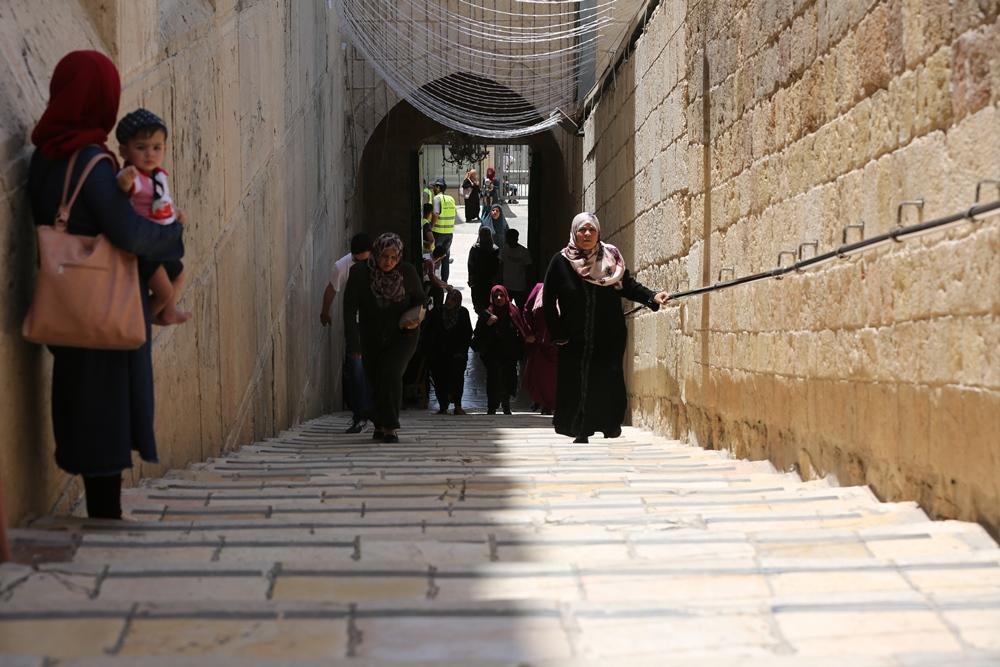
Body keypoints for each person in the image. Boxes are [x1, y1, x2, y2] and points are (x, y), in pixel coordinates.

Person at [26, 51, 185, 519]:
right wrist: (174, 233)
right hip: (101, 302)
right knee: (105, 406)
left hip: (66, 296)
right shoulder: (93, 162)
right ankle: (105, 514)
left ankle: (100, 505)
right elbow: (129, 232)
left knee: (80, 399)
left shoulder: (45, 156)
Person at [543, 212, 669, 443]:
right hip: (574, 337)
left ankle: (608, 424)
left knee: (606, 379)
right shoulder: (560, 262)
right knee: (577, 380)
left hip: (608, 334)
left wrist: (651, 296)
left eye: (591, 229)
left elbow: (627, 286)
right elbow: (548, 300)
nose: (587, 234)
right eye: (582, 229)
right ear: (574, 232)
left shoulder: (610, 258)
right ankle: (580, 427)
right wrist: (558, 333)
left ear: (598, 232)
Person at [343, 233, 424, 443]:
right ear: (376, 253)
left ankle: (390, 426)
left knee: (391, 373)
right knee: (375, 378)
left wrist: (416, 317)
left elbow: (421, 300)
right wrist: (353, 343)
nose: (388, 262)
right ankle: (379, 424)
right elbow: (349, 309)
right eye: (384, 256)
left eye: (393, 257)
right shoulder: (360, 273)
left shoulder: (407, 273)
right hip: (371, 336)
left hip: (403, 335)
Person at [114, 108, 190, 326]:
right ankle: (140, 323)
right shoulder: (135, 178)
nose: (150, 154)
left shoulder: (159, 175)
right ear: (124, 151)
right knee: (164, 291)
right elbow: (123, 186)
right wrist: (125, 179)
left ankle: (168, 312)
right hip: (147, 249)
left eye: (157, 148)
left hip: (165, 242)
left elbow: (162, 200)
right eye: (141, 148)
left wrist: (175, 212)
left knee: (179, 275)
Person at [320, 232, 374, 433]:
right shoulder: (342, 266)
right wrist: (325, 312)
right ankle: (360, 416)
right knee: (357, 370)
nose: (361, 265)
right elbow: (331, 289)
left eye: (365, 261)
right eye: (357, 261)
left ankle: (379, 413)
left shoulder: (382, 261)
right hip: (356, 326)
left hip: (378, 324)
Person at [472, 285, 532, 415]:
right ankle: (492, 407)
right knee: (494, 379)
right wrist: (487, 324)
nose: (499, 298)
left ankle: (506, 405)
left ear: (506, 297)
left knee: (508, 378)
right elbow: (478, 334)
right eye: (496, 296)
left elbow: (521, 329)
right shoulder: (487, 314)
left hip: (509, 353)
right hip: (493, 353)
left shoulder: (513, 312)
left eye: (501, 296)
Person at [424, 289, 473, 415]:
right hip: (439, 353)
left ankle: (457, 405)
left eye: (453, 300)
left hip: (457, 354)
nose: (449, 302)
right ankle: (443, 406)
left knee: (457, 379)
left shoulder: (462, 313)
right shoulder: (437, 312)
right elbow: (428, 330)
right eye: (448, 299)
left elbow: (467, 333)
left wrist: (462, 352)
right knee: (440, 379)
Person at [521, 282, 557, 414]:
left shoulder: (567, 288)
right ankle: (543, 402)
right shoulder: (539, 289)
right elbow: (527, 310)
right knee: (540, 376)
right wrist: (529, 332)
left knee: (554, 377)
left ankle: (551, 405)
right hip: (540, 341)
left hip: (558, 342)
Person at [467, 226, 500, 316]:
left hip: (478, 282)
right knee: (488, 304)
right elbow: (498, 268)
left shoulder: (475, 248)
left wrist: (471, 279)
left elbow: (470, 265)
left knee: (478, 305)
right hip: (489, 282)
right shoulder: (495, 249)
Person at [430, 177, 456, 283]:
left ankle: (435, 282)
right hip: (449, 233)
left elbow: (436, 213)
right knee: (445, 257)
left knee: (436, 257)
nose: (433, 189)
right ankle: (445, 281)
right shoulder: (451, 199)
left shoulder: (437, 198)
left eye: (434, 187)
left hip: (438, 233)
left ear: (438, 187)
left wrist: (430, 226)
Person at [499, 227, 532, 307]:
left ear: (516, 239)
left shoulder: (524, 252)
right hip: (507, 285)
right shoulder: (504, 249)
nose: (507, 240)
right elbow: (500, 266)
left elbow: (528, 270)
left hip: (520, 287)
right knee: (505, 308)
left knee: (521, 308)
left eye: (509, 238)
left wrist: (528, 285)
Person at [422, 244, 451, 311]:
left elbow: (435, 277)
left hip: (426, 281)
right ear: (439, 257)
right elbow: (433, 280)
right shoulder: (430, 262)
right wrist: (445, 286)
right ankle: (437, 310)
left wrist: (446, 285)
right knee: (439, 291)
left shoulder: (427, 256)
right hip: (424, 284)